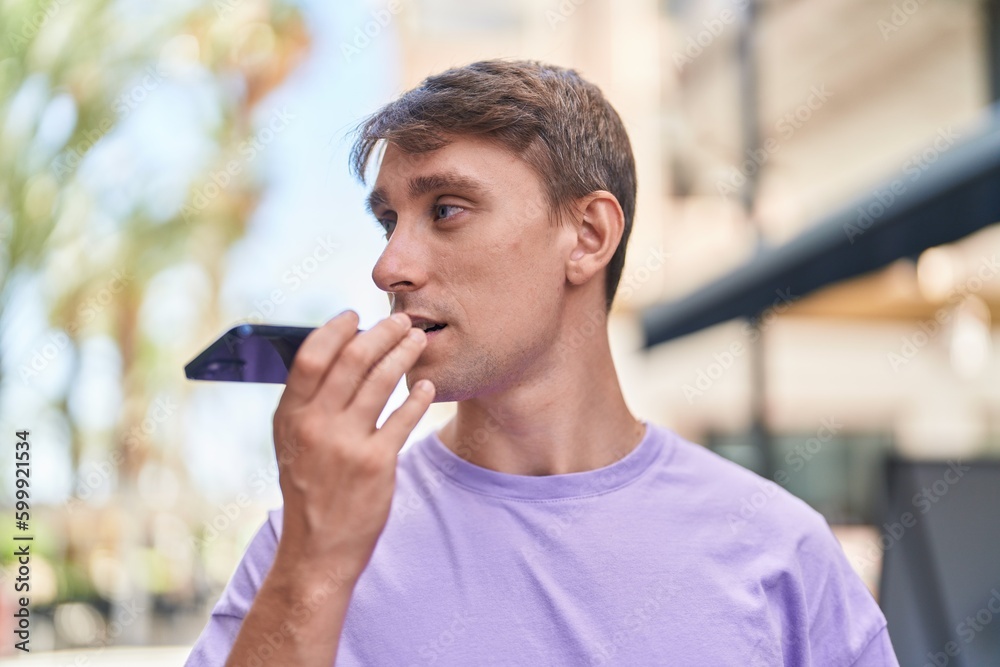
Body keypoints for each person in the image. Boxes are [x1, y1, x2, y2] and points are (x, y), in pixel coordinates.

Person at [184, 59, 899, 666]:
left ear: (588, 235)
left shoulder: (781, 554)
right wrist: (315, 567)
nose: (388, 266)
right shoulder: (304, 542)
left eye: (446, 209)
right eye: (388, 221)